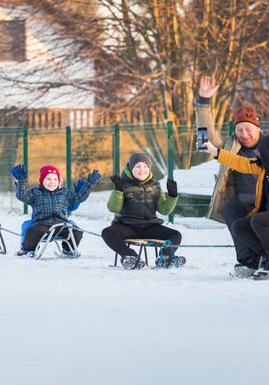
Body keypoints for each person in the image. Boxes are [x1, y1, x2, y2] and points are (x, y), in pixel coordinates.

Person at [196, 76, 264, 268]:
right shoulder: (230, 145)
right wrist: (204, 101)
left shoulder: (266, 147)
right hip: (244, 204)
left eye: (249, 129)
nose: (245, 134)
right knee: (230, 210)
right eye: (240, 130)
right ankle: (247, 262)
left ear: (258, 128)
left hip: (265, 203)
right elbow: (206, 137)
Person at [101, 153, 184, 269]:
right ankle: (130, 256)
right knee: (107, 233)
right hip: (127, 226)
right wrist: (118, 190)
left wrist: (172, 195)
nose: (142, 170)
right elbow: (113, 208)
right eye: (138, 166)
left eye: (145, 167)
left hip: (149, 227)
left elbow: (164, 210)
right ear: (131, 168)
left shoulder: (155, 186)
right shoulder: (122, 184)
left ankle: (165, 257)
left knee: (176, 235)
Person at [203, 137, 269, 280]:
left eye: (261, 153)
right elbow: (240, 163)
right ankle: (264, 257)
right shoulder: (263, 167)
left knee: (258, 221)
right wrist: (215, 151)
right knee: (239, 226)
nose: (258, 155)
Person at [11, 163, 101, 257]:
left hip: (61, 225)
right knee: (33, 231)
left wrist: (89, 184)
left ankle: (68, 249)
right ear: (42, 180)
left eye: (55, 179)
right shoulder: (35, 193)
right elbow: (22, 196)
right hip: (43, 224)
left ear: (59, 181)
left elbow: (79, 197)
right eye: (48, 179)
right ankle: (29, 250)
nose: (52, 182)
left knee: (76, 231)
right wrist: (22, 181)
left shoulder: (64, 193)